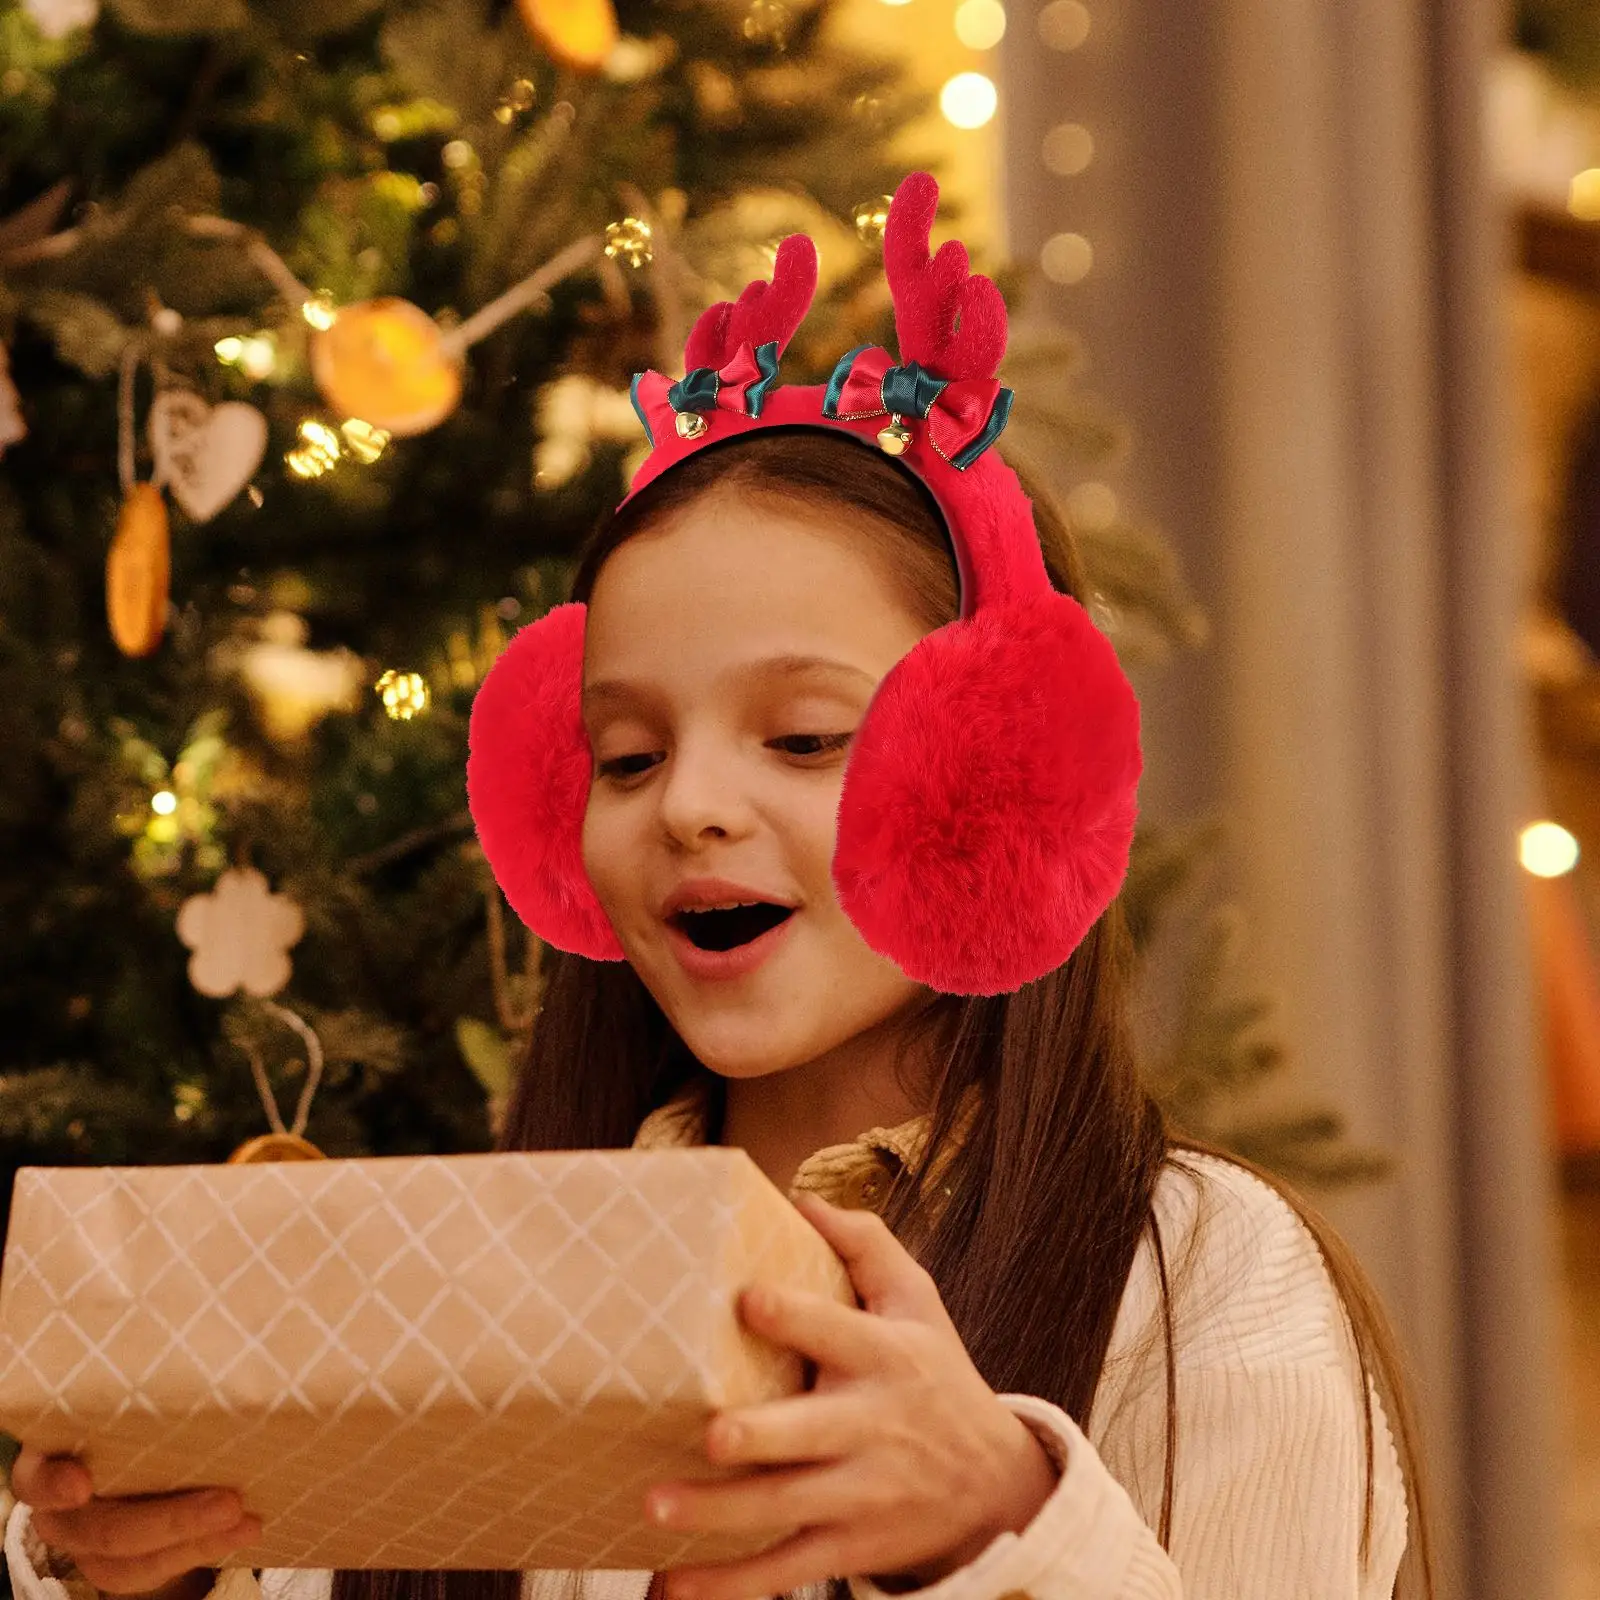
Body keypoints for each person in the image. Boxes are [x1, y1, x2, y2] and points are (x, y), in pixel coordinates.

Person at [5, 172, 1433, 1600]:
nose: (688, 805)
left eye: (805, 738)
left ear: (1001, 775)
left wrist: (1002, 1524)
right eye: (624, 759)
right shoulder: (487, 1275)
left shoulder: (1204, 1283)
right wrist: (161, 1576)